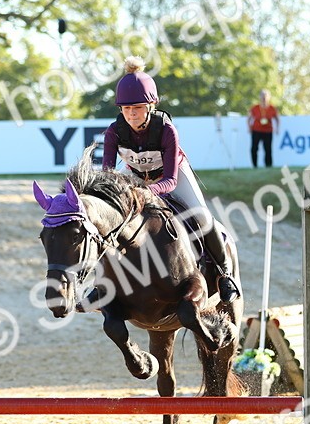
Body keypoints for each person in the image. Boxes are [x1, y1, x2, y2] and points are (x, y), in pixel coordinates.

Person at [102, 57, 240, 302]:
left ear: (150, 106)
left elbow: (170, 181)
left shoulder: (166, 130)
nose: (131, 115)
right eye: (126, 109)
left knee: (202, 217)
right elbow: (108, 174)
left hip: (170, 175)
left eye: (137, 108)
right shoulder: (114, 132)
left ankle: (224, 274)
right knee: (109, 220)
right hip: (134, 177)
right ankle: (101, 284)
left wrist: (148, 192)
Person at [247, 89, 279, 167]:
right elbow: (249, 118)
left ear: (269, 97)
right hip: (256, 130)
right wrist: (249, 127)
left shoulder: (272, 108)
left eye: (265, 96)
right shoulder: (255, 108)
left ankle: (268, 166)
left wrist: (277, 128)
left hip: (268, 131)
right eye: (262, 96)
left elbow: (277, 119)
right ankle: (254, 166)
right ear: (260, 97)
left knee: (268, 149)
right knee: (254, 148)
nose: (264, 98)